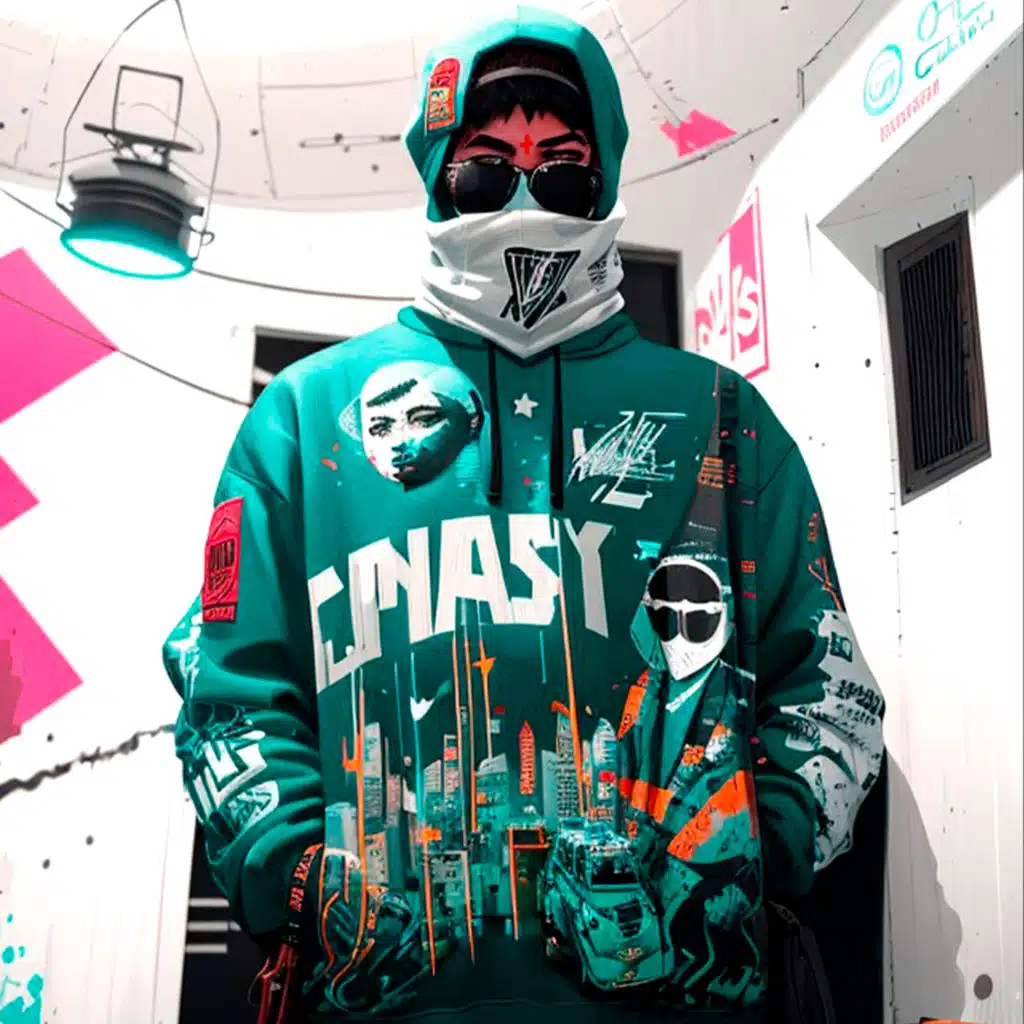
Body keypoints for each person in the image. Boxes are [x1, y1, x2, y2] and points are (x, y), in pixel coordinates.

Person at [162, 6, 885, 1023]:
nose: (523, 197)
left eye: (563, 171)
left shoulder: (722, 420)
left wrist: (754, 848)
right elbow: (227, 686)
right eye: (485, 170)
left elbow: (828, 679)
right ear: (437, 176)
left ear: (605, 178)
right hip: (380, 1002)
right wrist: (296, 877)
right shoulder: (303, 417)